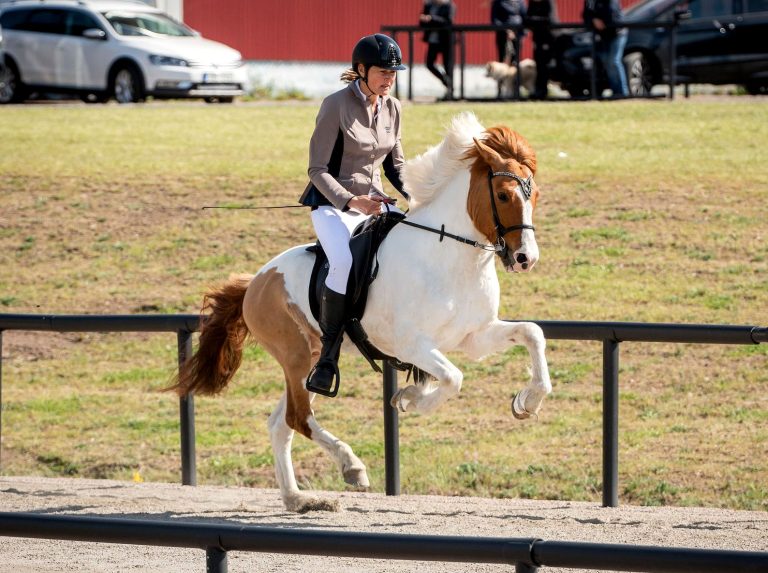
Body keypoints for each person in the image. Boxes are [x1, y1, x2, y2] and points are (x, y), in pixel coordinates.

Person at [299, 34, 409, 396]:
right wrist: (350, 201)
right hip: (333, 207)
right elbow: (317, 169)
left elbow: (396, 166)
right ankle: (328, 357)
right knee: (343, 263)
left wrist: (416, 196)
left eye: (393, 72)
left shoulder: (392, 107)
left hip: (377, 201)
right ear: (361, 70)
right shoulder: (335, 106)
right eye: (382, 71)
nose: (389, 78)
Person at [583, 0, 629, 97]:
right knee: (606, 62)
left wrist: (598, 18)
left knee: (614, 61)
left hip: (618, 33)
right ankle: (615, 92)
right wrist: (593, 19)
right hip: (604, 36)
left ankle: (623, 93)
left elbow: (611, 13)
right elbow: (585, 14)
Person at [419, 0, 456, 100]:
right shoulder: (429, 5)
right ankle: (446, 81)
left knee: (448, 66)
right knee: (429, 64)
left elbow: (447, 21)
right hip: (433, 40)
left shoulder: (449, 6)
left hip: (446, 40)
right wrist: (424, 19)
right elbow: (421, 22)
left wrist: (431, 18)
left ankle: (450, 93)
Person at [526, 0, 558, 100]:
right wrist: (536, 21)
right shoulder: (532, 3)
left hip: (549, 39)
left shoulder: (548, 2)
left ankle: (543, 91)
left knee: (546, 66)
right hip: (537, 40)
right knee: (539, 66)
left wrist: (533, 20)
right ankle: (539, 91)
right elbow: (526, 20)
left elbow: (550, 20)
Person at [491, 0, 526, 65]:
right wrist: (507, 30)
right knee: (502, 58)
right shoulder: (498, 2)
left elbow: (524, 17)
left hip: (517, 33)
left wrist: (522, 34)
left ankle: (515, 74)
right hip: (503, 33)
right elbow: (495, 20)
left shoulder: (520, 2)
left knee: (515, 59)